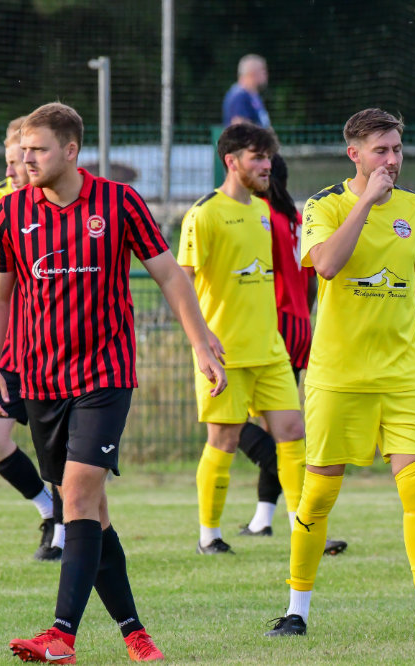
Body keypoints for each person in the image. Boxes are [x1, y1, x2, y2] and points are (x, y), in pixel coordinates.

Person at [0, 102, 227, 663]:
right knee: (88, 509)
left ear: (71, 150)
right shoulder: (9, 212)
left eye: (38, 149)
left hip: (105, 375)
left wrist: (199, 341)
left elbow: (168, 273)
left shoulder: (118, 203)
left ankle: (60, 636)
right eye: (23, 151)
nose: (27, 159)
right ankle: (135, 633)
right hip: (41, 379)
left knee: (83, 492)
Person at [264, 108, 415, 639]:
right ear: (353, 154)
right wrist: (366, 204)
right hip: (338, 376)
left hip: (402, 375)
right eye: (381, 151)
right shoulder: (324, 205)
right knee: (318, 495)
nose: (393, 160)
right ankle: (296, 612)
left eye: (398, 149)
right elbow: (326, 264)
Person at [179, 123, 310, 557]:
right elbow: (182, 283)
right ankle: (208, 535)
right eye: (257, 157)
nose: (267, 165)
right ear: (231, 161)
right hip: (225, 353)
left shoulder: (260, 211)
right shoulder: (203, 213)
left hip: (269, 348)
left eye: (268, 157)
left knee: (292, 432)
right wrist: (202, 341)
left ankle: (301, 527)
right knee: (225, 440)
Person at [0, 116, 64, 561]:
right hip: (7, 346)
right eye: (10, 160)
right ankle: (45, 508)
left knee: (59, 450)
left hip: (49, 344)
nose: (12, 169)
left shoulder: (60, 203)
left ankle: (61, 530)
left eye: (19, 160)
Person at [238, 153, 347, 557]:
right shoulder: (297, 217)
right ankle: (263, 520)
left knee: (232, 427)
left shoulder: (258, 215)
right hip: (300, 323)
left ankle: (305, 515)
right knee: (273, 425)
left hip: (270, 325)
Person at [222, 54, 270, 127]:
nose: (266, 75)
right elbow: (239, 126)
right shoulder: (239, 96)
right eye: (263, 71)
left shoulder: (253, 95)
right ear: (252, 73)